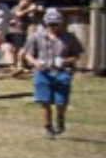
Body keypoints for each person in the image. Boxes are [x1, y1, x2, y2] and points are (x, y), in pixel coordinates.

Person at [25, 9, 81, 138]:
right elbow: (27, 54)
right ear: (46, 23)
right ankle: (48, 127)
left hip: (62, 73)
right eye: (51, 24)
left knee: (61, 102)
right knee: (45, 101)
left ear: (60, 23)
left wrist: (66, 61)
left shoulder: (69, 37)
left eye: (56, 24)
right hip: (43, 72)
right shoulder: (36, 36)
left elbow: (77, 55)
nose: (53, 27)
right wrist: (35, 63)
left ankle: (60, 120)